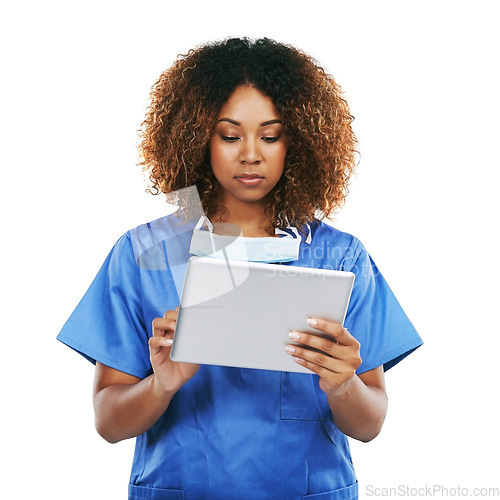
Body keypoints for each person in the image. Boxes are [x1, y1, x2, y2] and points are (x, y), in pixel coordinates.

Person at [57, 37, 422, 500]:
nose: (251, 153)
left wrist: (343, 383)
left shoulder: (342, 259)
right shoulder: (143, 254)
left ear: (299, 142)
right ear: (195, 137)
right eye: (230, 135)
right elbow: (108, 423)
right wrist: (162, 384)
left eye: (270, 136)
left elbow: (369, 425)